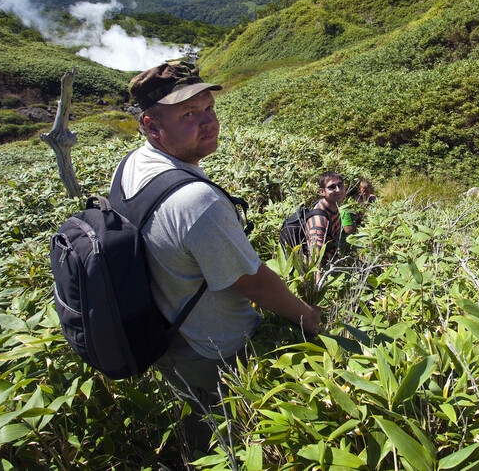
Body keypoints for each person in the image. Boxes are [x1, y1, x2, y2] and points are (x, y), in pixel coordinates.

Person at [112, 61, 320, 451]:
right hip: (214, 352)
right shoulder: (195, 203)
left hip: (169, 336)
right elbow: (254, 282)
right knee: (232, 445)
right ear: (152, 126)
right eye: (188, 114)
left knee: (198, 434)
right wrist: (307, 315)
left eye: (209, 108)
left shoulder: (130, 166)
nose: (208, 121)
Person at [304, 172, 347, 265]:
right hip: (322, 269)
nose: (338, 190)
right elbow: (314, 256)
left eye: (340, 185)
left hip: (331, 263)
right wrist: (318, 278)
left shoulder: (334, 208)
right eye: (332, 187)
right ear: (322, 192)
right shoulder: (319, 219)